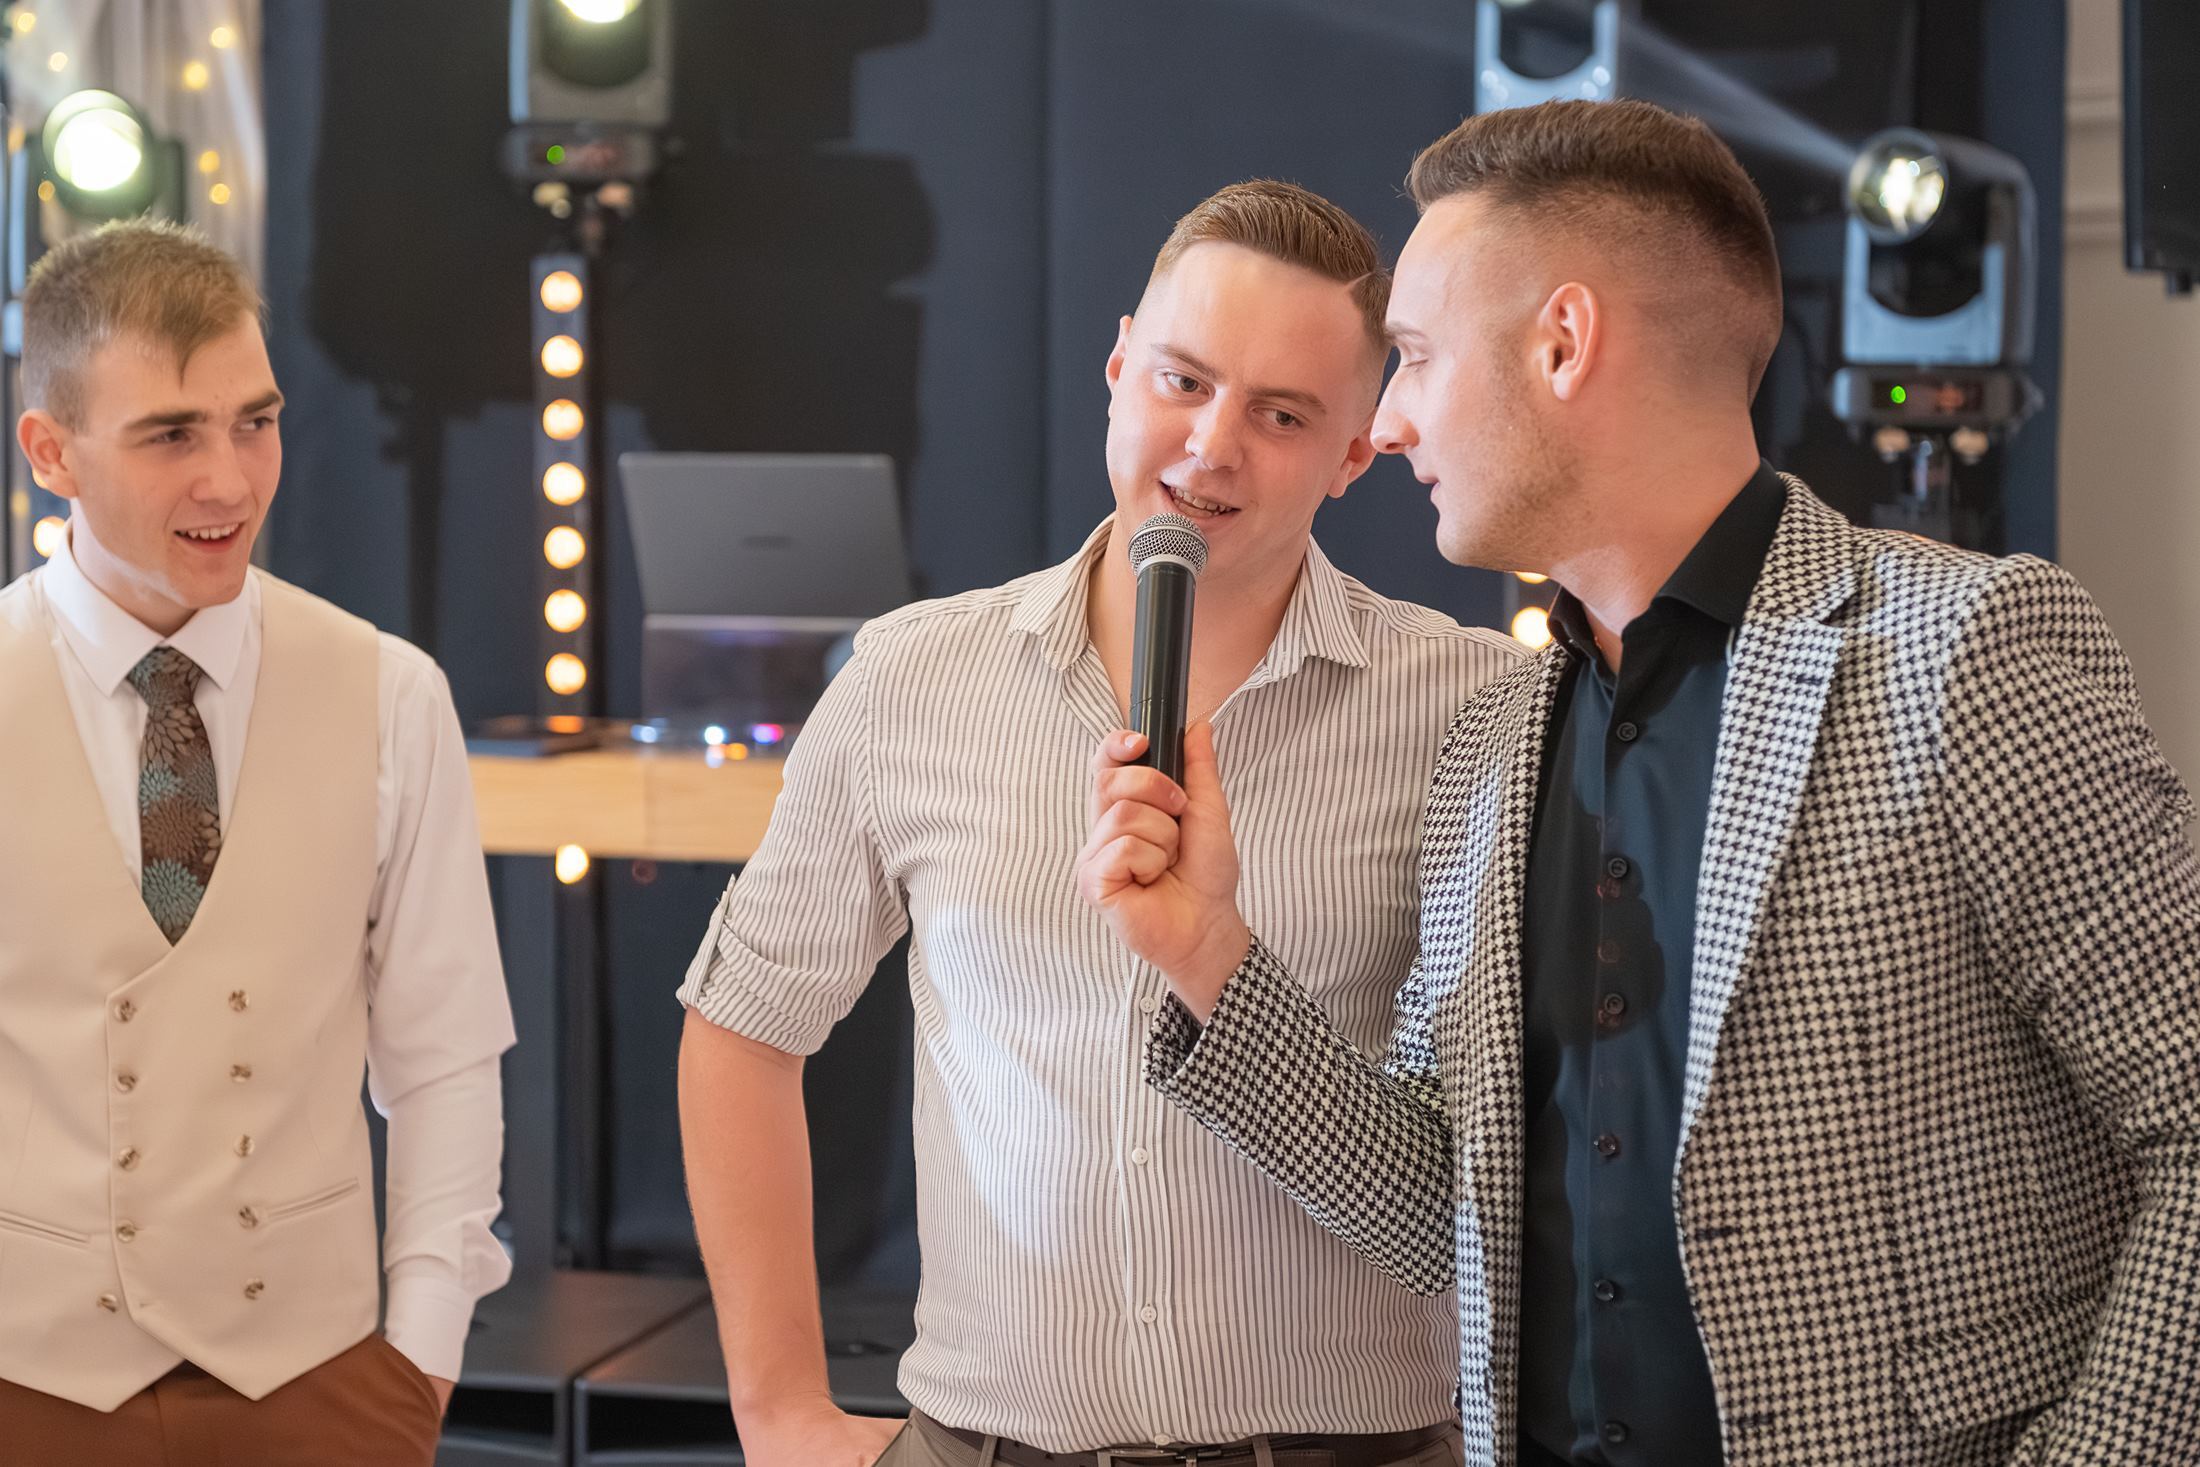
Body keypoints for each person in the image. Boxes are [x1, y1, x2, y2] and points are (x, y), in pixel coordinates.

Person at [1081, 100, 2200, 1465]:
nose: (1390, 421)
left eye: (1415, 356)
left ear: (1563, 341)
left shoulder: (1961, 653)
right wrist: (1208, 952)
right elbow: (1444, 1209)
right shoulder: (1490, 745)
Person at [678, 179, 1519, 1467]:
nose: (1211, 446)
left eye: (1281, 414)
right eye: (1183, 381)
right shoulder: (911, 678)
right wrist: (778, 1410)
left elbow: (1484, 1185)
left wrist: (1216, 955)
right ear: (1120, 367)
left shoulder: (1470, 709)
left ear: (1357, 452)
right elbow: (743, 1022)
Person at [0, 220, 516, 1466]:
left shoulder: (391, 693)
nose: (230, 482)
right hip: (27, 1381)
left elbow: (444, 1058)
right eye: (172, 435)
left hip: (320, 1386)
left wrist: (420, 1362)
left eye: (256, 422)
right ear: (51, 452)